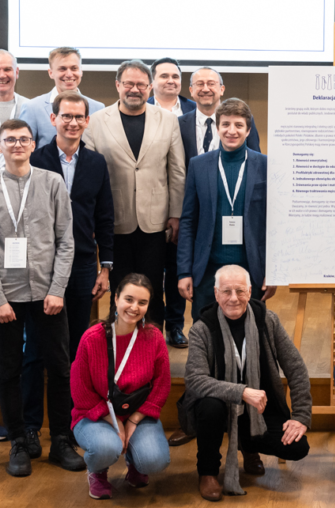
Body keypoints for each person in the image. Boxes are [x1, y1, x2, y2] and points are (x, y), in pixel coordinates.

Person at [0, 119, 78, 477]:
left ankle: (60, 438)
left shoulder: (52, 182)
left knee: (59, 367)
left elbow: (66, 241)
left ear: (33, 144)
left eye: (23, 139)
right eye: (10, 139)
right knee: (9, 370)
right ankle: (18, 439)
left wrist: (57, 289)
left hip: (49, 294)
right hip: (7, 297)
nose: (17, 144)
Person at [180, 266, 312, 501]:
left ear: (250, 292)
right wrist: (242, 392)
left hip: (258, 410)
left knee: (297, 447)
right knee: (210, 407)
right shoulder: (202, 328)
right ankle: (208, 472)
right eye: (226, 291)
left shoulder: (268, 321)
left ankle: (249, 446)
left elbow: (296, 368)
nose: (234, 298)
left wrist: (301, 416)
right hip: (219, 409)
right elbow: (195, 380)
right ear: (216, 293)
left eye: (240, 291)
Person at [84, 59, 186, 332]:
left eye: (141, 84)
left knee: (152, 285)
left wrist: (176, 214)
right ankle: (118, 340)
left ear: (150, 87)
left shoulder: (168, 120)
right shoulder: (96, 121)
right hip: (113, 219)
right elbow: (90, 174)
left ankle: (152, 344)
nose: (135, 89)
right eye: (128, 83)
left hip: (156, 220)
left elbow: (177, 170)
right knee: (119, 286)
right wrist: (92, 218)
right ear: (118, 85)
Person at [31, 92, 115, 384]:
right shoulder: (34, 160)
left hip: (82, 263)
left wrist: (105, 267)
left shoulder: (96, 162)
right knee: (40, 339)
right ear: (53, 118)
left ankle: (75, 405)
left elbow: (104, 216)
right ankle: (39, 408)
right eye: (66, 116)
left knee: (78, 338)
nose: (73, 122)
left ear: (87, 121)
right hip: (42, 263)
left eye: (79, 117)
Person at [69, 274, 171, 499]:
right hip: (96, 414)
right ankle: (97, 470)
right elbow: (80, 390)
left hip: (137, 412)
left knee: (155, 459)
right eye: (129, 299)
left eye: (142, 302)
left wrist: (133, 421)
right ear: (116, 298)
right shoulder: (92, 338)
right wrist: (115, 424)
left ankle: (136, 463)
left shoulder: (154, 337)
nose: (134, 308)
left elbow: (162, 385)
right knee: (106, 447)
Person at [176, 98, 268, 324]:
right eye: (226, 124)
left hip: (251, 270)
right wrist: (184, 272)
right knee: (205, 334)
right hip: (207, 270)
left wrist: (274, 272)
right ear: (217, 128)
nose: (231, 131)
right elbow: (188, 221)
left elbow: (273, 224)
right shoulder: (198, 165)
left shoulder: (265, 166)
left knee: (250, 334)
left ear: (248, 130)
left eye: (239, 125)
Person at [22, 46, 107, 147]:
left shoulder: (98, 109)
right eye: (62, 69)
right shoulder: (32, 108)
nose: (69, 74)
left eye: (74, 68)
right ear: (51, 73)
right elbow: (24, 150)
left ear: (81, 71)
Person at [179, 67, 261, 161]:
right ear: (191, 90)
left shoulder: (243, 120)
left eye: (211, 84)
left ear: (222, 89)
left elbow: (255, 160)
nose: (205, 89)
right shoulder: (180, 123)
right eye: (200, 84)